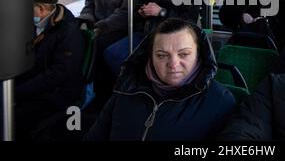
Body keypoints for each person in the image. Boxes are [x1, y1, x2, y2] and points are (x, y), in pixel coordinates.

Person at [85, 18, 236, 141]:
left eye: (184, 54)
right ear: (150, 57)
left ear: (199, 55)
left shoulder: (219, 101)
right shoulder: (127, 89)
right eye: (162, 55)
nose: (173, 64)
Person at [103, 0, 200, 76]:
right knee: (110, 53)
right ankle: (126, 84)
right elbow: (138, 9)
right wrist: (141, 12)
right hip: (147, 32)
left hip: (171, 37)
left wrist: (162, 12)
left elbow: (190, 20)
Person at [15, 0, 84, 140]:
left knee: (14, 118)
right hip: (38, 82)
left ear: (40, 8)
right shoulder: (38, 24)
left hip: (57, 92)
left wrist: (20, 90)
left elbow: (60, 73)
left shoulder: (67, 31)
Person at [78, 0, 144, 105]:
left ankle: (102, 90)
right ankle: (84, 85)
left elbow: (125, 13)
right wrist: (85, 20)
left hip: (120, 28)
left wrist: (102, 27)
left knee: (98, 46)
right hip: (97, 26)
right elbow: (89, 4)